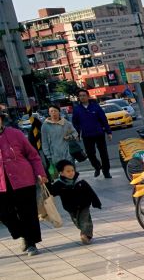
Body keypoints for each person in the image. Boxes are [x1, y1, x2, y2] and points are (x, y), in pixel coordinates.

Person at [0, 111, 48, 256]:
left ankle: (31, 242)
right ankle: (22, 233)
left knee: (28, 213)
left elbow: (33, 155)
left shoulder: (16, 134)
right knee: (4, 213)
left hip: (23, 179)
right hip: (1, 183)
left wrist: (40, 173)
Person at [49, 160, 101, 244]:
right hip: (71, 208)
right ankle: (84, 232)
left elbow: (90, 192)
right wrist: (46, 184)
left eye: (73, 170)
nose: (71, 173)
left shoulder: (80, 182)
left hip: (84, 204)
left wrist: (96, 202)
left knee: (85, 220)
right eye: (68, 171)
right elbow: (52, 192)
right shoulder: (59, 184)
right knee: (78, 223)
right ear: (61, 173)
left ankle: (85, 235)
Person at [71, 89, 112, 178]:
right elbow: (75, 123)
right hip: (87, 135)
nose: (82, 97)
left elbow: (103, 119)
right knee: (90, 154)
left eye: (84, 95)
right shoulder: (77, 109)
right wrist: (77, 134)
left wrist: (108, 132)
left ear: (88, 96)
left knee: (103, 153)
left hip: (99, 133)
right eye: (80, 96)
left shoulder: (95, 107)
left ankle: (106, 172)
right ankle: (97, 166)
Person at [41, 106, 78, 174]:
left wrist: (69, 137)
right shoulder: (45, 125)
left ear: (59, 112)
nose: (54, 113)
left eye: (55, 111)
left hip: (68, 153)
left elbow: (75, 133)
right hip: (55, 155)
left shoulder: (66, 123)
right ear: (49, 113)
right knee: (61, 174)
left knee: (71, 173)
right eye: (51, 111)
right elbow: (44, 141)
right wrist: (48, 155)